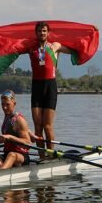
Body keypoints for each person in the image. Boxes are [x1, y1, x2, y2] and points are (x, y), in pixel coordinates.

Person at [29, 21, 71, 158]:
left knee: (47, 125)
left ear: (48, 33)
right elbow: (11, 47)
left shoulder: (55, 46)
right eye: (39, 31)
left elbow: (74, 48)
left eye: (44, 31)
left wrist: (90, 31)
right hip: (36, 87)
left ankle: (51, 155)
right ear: (36, 33)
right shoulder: (30, 47)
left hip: (50, 86)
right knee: (38, 126)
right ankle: (42, 157)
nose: (42, 33)